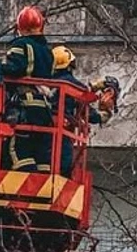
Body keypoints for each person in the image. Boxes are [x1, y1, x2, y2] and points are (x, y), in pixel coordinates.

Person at [51, 45, 120, 175]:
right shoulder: (71, 85)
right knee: (64, 166)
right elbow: (84, 104)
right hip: (62, 131)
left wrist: (93, 87)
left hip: (40, 130)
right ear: (70, 64)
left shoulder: (45, 82)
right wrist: (104, 115)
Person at [1, 6, 55, 173]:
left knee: (18, 148)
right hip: (44, 108)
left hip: (25, 106)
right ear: (41, 26)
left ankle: (28, 180)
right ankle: (43, 181)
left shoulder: (21, 44)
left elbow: (14, 68)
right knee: (40, 151)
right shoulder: (48, 52)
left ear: (20, 27)